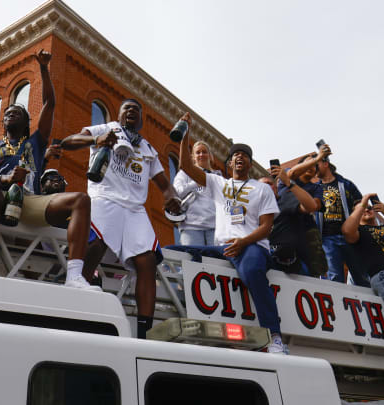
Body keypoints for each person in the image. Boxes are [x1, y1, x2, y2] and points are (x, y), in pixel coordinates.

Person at [0, 50, 94, 292]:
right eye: (6, 114)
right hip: (0, 198)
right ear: (3, 124)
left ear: (26, 123)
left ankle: (75, 276)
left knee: (81, 200)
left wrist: (44, 68)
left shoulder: (36, 142)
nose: (10, 113)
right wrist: (5, 178)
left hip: (30, 200)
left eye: (17, 112)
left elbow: (50, 103)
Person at [61, 99, 181, 338]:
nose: (131, 112)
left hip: (135, 209)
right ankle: (74, 301)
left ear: (141, 120)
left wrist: (171, 198)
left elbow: (164, 185)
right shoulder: (105, 129)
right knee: (96, 243)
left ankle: (145, 332)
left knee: (147, 261)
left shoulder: (147, 148)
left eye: (137, 110)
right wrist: (96, 140)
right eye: (127, 108)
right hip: (106, 197)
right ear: (119, 113)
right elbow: (68, 142)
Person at [169, 115, 285, 353]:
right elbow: (186, 167)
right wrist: (185, 136)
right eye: (235, 156)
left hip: (252, 247)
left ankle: (274, 336)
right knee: (170, 252)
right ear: (229, 164)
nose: (239, 157)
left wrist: (243, 242)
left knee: (252, 271)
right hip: (223, 248)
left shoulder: (262, 188)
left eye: (245, 155)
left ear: (250, 164)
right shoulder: (218, 183)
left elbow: (266, 227)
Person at [342, 194, 384, 355]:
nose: (367, 209)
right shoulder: (358, 232)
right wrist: (363, 202)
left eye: (369, 207)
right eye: (361, 209)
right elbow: (347, 231)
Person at [261, 162, 325, 276]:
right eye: (262, 185)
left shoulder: (285, 198)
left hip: (293, 266)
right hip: (265, 261)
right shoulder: (251, 208)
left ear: (276, 187)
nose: (266, 187)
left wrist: (289, 183)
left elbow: (312, 207)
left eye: (269, 183)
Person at [315, 150, 366, 286]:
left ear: (325, 164)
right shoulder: (315, 188)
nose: (313, 168)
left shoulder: (346, 184)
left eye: (316, 164)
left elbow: (360, 204)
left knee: (361, 274)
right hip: (326, 238)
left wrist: (356, 224)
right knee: (334, 277)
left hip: (349, 235)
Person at [172, 140, 220, 245]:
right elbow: (176, 193)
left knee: (216, 260)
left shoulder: (218, 177)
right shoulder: (185, 174)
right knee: (192, 260)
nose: (201, 154)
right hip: (191, 226)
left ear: (210, 156)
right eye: (198, 152)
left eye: (204, 152)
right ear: (193, 157)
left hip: (215, 228)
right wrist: (195, 183)